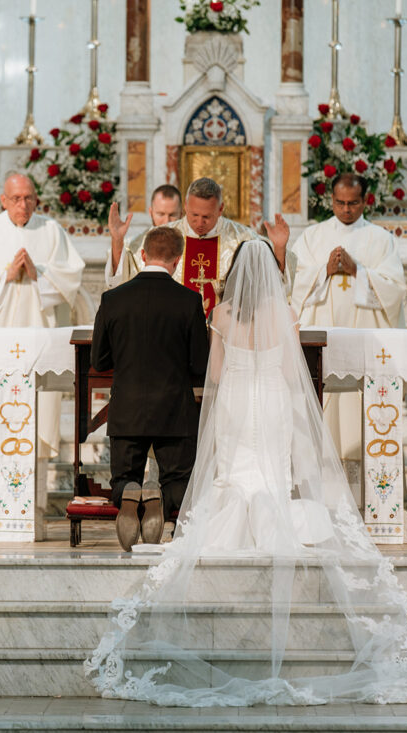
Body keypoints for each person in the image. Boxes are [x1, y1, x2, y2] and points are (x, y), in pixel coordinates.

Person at [85, 240, 407, 706]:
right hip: (270, 401)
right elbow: (291, 373)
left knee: (232, 470)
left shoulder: (223, 316)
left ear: (232, 272)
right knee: (269, 471)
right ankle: (271, 516)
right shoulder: (285, 315)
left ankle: (224, 516)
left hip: (233, 404)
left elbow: (218, 375)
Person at [0, 172, 91, 527]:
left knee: (35, 416)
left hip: (37, 349)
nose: (23, 205)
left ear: (37, 199)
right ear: (3, 200)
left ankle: (30, 503)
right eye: (16, 198)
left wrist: (39, 274)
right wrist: (4, 275)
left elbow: (71, 280)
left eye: (29, 198)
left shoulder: (52, 233)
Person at [91, 225, 209, 550]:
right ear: (178, 259)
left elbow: (99, 361)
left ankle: (131, 489)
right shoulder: (189, 301)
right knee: (178, 479)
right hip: (174, 409)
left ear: (142, 255)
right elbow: (201, 365)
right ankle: (162, 498)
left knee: (123, 475)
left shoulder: (112, 299)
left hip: (127, 407)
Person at [290, 173, 405, 494]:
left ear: (365, 200)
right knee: (325, 412)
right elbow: (292, 284)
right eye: (339, 203)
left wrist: (359, 272)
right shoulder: (313, 237)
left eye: (353, 203)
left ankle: (364, 494)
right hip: (322, 343)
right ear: (331, 200)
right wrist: (322, 272)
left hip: (363, 341)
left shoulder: (380, 239)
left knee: (358, 412)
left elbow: (396, 290)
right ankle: (320, 493)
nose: (346, 210)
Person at [107, 176, 293, 318]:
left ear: (220, 210)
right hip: (172, 336)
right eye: (194, 215)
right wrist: (117, 241)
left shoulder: (243, 239)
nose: (199, 222)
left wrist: (279, 249)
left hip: (226, 337)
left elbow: (273, 289)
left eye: (207, 217)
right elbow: (125, 279)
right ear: (186, 206)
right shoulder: (161, 237)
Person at [104, 184, 182, 287]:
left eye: (172, 215)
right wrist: (117, 239)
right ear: (151, 212)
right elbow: (117, 281)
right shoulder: (133, 246)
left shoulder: (191, 244)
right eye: (161, 214)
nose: (166, 221)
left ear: (181, 214)